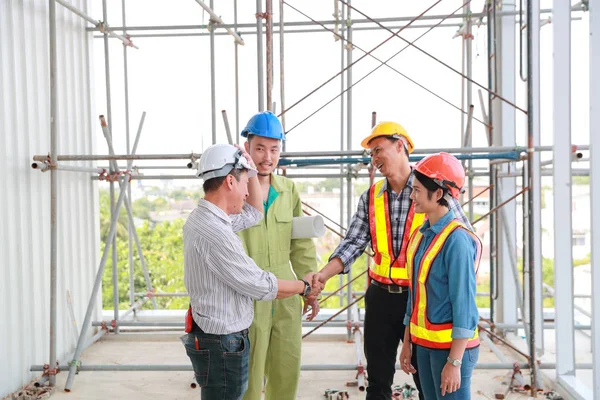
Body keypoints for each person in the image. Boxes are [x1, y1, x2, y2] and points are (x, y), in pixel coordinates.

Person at [311, 122, 472, 400]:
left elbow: (459, 236)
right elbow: (353, 243)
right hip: (381, 298)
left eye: (378, 150)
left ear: (401, 146)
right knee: (378, 379)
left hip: (420, 299)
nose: (373, 158)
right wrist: (323, 275)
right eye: (371, 153)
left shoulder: (431, 188)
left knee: (426, 380)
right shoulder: (371, 196)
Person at [181, 143, 323, 400]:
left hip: (215, 338)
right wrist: (305, 287)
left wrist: (250, 168)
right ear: (230, 182)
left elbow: (254, 214)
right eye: (246, 182)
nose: (249, 191)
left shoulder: (205, 218)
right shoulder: (216, 234)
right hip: (222, 343)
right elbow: (261, 285)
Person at [236, 111, 320, 400]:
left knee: (286, 368)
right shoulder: (235, 189)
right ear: (247, 147)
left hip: (286, 294)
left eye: (274, 149)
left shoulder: (288, 190)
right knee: (248, 374)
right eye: (260, 148)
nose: (267, 157)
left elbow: (301, 245)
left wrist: (310, 286)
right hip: (247, 294)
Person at [399, 152, 482, 400]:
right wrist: (407, 342)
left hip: (450, 349)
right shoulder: (421, 235)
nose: (411, 196)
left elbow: (464, 304)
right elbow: (414, 295)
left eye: (416, 191)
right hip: (424, 345)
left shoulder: (457, 240)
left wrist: (454, 362)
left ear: (438, 194)